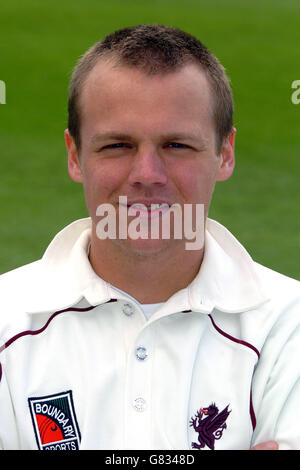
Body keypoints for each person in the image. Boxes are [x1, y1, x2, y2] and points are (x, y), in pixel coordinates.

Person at [0, 24, 299, 451]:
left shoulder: (290, 327)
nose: (146, 176)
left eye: (176, 145)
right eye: (118, 145)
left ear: (225, 154)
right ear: (74, 156)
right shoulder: (5, 321)